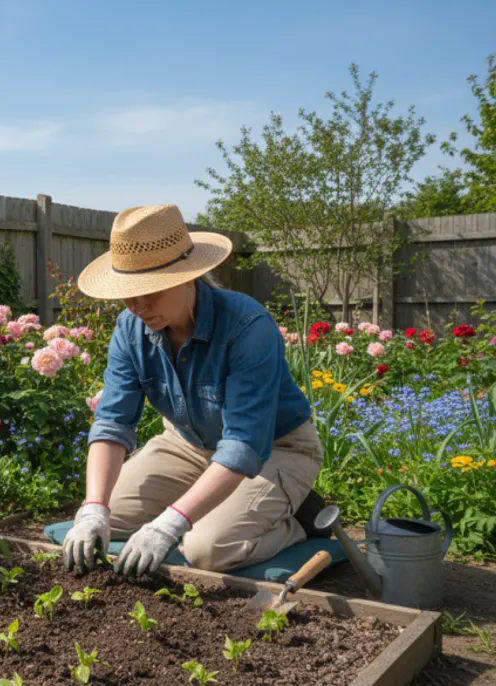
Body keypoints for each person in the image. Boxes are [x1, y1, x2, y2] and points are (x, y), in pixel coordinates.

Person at [62, 204, 325, 576]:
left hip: (274, 451)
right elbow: (112, 422)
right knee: (104, 519)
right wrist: (94, 509)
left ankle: (295, 521)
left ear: (188, 276)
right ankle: (210, 505)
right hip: (187, 445)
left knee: (207, 549)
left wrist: (169, 524)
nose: (137, 307)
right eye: (127, 294)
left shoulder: (247, 326)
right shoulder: (130, 328)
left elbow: (244, 445)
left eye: (149, 291)